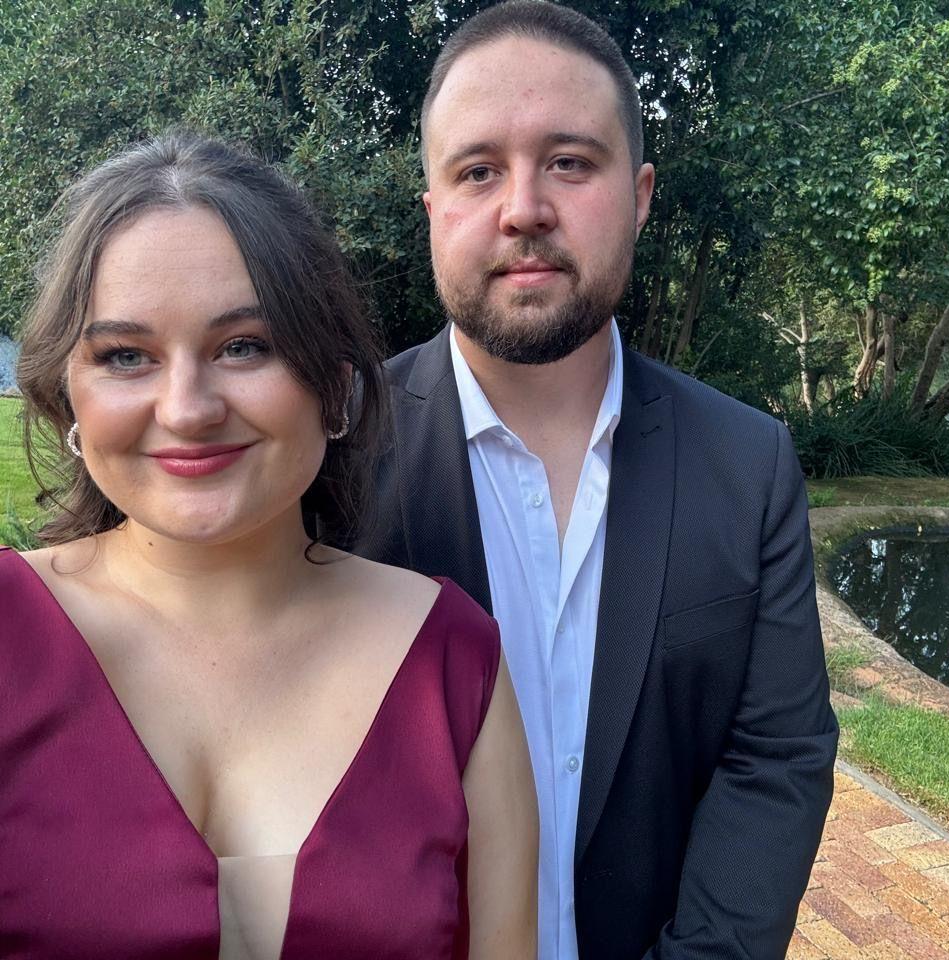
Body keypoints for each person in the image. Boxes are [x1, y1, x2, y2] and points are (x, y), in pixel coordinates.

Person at [354, 3, 839, 959]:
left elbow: (777, 760)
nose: (524, 207)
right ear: (432, 208)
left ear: (641, 194)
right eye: (478, 170)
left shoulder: (747, 465)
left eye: (570, 162)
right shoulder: (329, 457)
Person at [1, 131, 537, 960]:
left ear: (334, 381)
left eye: (243, 346)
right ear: (68, 394)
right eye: (126, 356)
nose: (187, 409)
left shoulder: (453, 659)